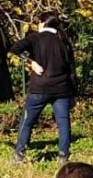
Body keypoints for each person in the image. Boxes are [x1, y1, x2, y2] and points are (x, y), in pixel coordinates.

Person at [10, 12, 77, 165]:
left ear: (42, 23)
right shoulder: (64, 41)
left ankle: (19, 155)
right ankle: (63, 157)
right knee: (63, 123)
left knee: (27, 122)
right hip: (62, 90)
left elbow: (14, 48)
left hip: (39, 89)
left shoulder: (35, 38)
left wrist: (30, 61)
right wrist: (73, 94)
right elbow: (72, 71)